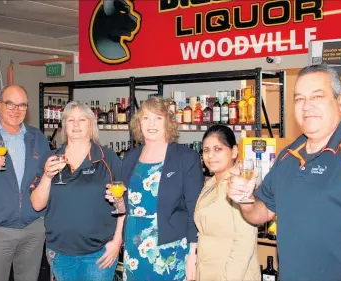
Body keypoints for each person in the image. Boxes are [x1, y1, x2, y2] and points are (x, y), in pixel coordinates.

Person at [227, 64, 341, 281]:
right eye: (299, 99)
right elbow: (261, 213)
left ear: (340, 102)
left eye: (317, 97)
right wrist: (244, 198)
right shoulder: (288, 155)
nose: (306, 106)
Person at [106, 98, 204, 281]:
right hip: (134, 250)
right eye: (145, 118)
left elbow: (195, 211)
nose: (151, 124)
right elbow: (124, 209)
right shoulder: (130, 158)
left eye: (158, 118)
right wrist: (117, 204)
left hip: (170, 251)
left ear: (168, 122)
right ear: (138, 123)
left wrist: (193, 253)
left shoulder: (185, 158)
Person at [30, 101, 123, 281]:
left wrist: (117, 240)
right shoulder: (51, 158)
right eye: (70, 120)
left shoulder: (107, 158)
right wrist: (47, 177)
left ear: (91, 124)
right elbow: (36, 204)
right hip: (60, 252)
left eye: (82, 120)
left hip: (99, 254)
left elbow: (123, 202)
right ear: (64, 126)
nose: (76, 125)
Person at [0, 85, 50, 281]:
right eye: (10, 104)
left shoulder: (37, 137)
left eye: (22, 105)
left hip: (33, 227)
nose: (16, 110)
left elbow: (45, 173)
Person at [194, 125, 260, 281]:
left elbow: (245, 242)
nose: (210, 155)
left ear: (234, 152)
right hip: (208, 272)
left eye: (218, 149)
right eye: (206, 150)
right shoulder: (210, 184)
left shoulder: (240, 184)